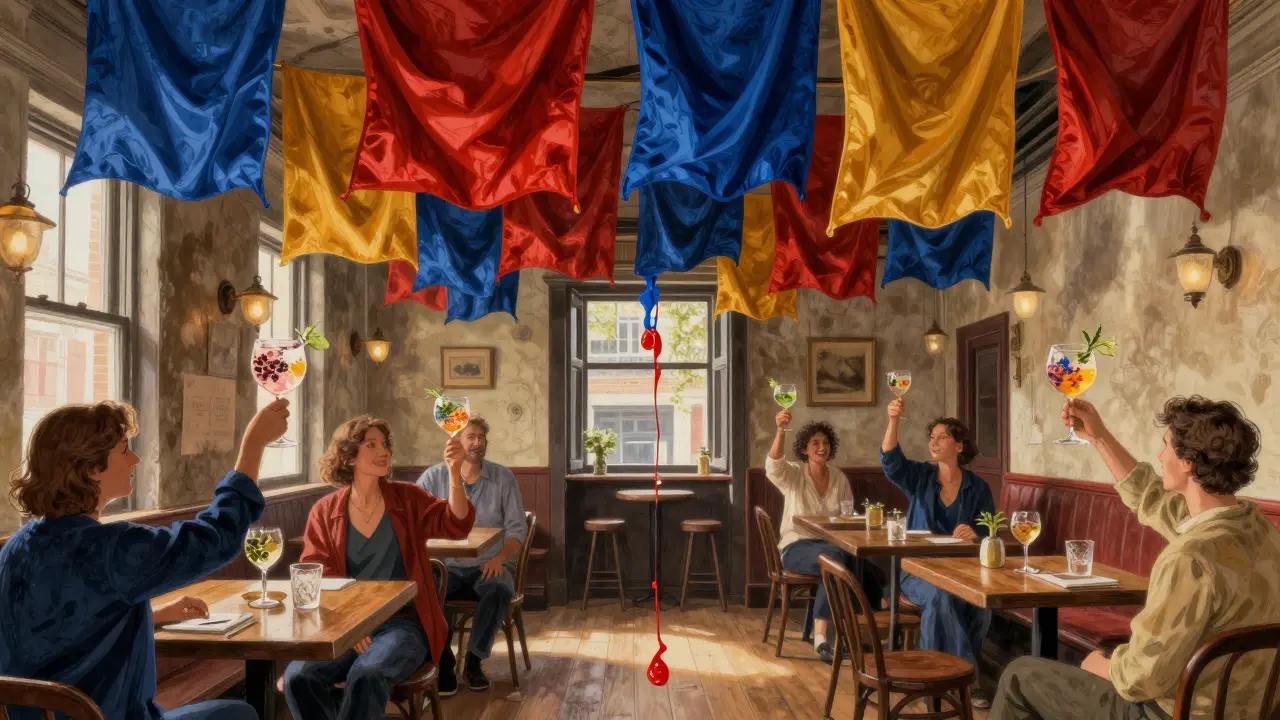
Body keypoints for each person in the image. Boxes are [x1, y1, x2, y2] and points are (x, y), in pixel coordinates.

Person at [989, 396, 1280, 720]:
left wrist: (1100, 664)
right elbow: (1151, 498)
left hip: (1171, 713)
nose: (1159, 455)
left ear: (1187, 461)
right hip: (1254, 710)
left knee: (1020, 675)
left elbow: (1140, 679)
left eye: (1166, 445)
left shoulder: (1190, 560)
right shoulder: (1259, 531)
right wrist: (1099, 437)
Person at [0, 398, 290, 720]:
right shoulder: (113, 549)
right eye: (125, 450)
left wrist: (153, 614)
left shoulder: (16, 548)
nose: (136, 459)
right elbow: (216, 537)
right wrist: (253, 444)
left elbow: (61, 626)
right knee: (239, 714)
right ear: (92, 468)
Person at [284, 416, 475, 720]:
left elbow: (456, 524)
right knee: (298, 678)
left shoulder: (407, 497)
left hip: (404, 625)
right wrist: (349, 624)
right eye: (371, 444)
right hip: (346, 626)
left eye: (384, 444)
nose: (383, 450)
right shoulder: (325, 511)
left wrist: (454, 473)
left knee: (367, 674)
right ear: (349, 456)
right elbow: (317, 578)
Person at [881, 397, 996, 707]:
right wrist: (893, 420)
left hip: (963, 569)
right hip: (918, 570)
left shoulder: (979, 488)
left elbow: (990, 530)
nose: (934, 442)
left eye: (942, 437)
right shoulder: (919, 477)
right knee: (941, 596)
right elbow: (890, 460)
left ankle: (947, 673)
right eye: (931, 437)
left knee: (981, 604)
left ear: (958, 446)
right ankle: (966, 677)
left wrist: (976, 534)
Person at [417, 416, 527, 694]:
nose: (477, 443)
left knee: (499, 588)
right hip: (446, 566)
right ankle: (443, 662)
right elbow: (412, 521)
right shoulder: (433, 477)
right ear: (456, 441)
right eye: (470, 437)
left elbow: (517, 530)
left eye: (481, 437)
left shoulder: (503, 477)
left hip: (489, 564)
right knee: (426, 588)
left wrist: (500, 558)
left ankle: (474, 662)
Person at [768, 409, 885, 665]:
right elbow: (773, 464)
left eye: (826, 443)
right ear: (805, 450)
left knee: (865, 567)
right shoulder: (793, 474)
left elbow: (847, 517)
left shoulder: (839, 477)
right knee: (836, 562)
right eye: (815, 443)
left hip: (831, 547)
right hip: (796, 546)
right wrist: (780, 430)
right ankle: (825, 637)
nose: (822, 448)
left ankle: (861, 631)